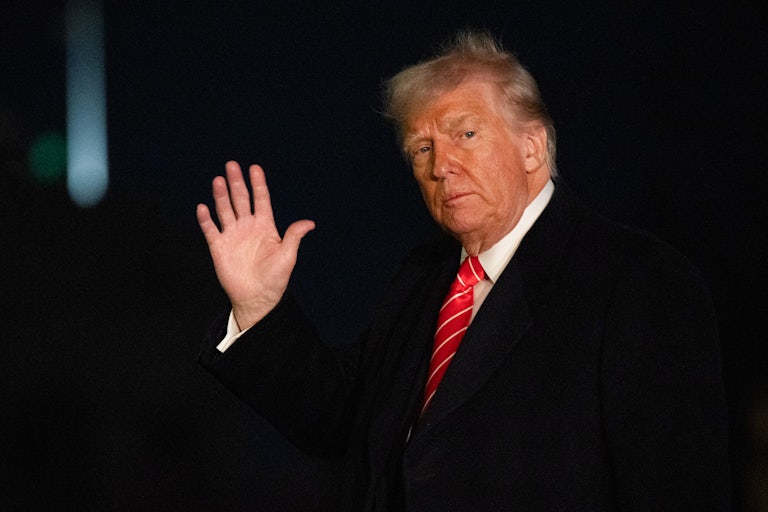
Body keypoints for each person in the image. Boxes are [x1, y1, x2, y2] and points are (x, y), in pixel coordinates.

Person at [196, 31, 730, 510]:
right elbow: (340, 423)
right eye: (422, 147)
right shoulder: (421, 280)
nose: (439, 164)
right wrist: (259, 307)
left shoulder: (639, 281)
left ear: (532, 146)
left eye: (465, 135)